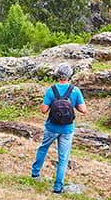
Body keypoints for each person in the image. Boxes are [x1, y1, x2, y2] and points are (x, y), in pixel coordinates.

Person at [31, 63, 87, 193]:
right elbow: (83, 110)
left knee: (43, 148)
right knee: (63, 157)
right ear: (70, 75)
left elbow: (43, 110)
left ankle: (35, 173)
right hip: (67, 129)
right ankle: (58, 186)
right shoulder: (75, 90)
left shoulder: (51, 90)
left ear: (57, 75)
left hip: (51, 127)